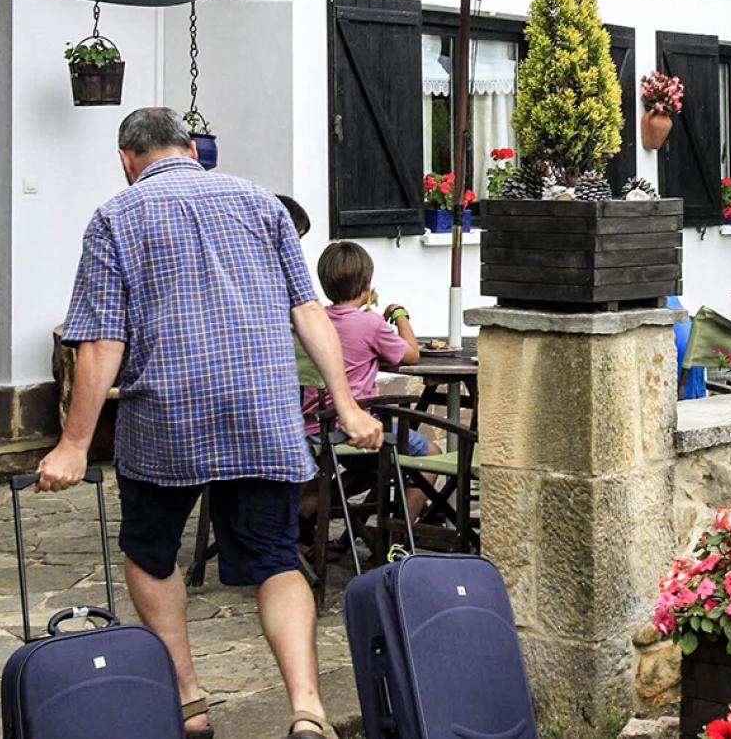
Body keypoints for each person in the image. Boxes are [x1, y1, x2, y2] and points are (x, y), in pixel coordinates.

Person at [37, 107, 382, 739]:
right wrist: (350, 405)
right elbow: (310, 313)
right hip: (263, 414)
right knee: (277, 560)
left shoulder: (115, 216)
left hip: (167, 419)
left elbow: (101, 343)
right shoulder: (260, 202)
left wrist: (73, 444)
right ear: (191, 148)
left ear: (126, 159)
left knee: (149, 552)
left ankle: (190, 700)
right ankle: (308, 710)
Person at [300, 241, 436, 518]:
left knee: (374, 468)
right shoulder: (370, 324)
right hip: (354, 430)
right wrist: (400, 315)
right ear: (367, 285)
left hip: (311, 428)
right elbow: (411, 354)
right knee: (431, 454)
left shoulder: (315, 321)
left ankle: (322, 517)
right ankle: (398, 534)